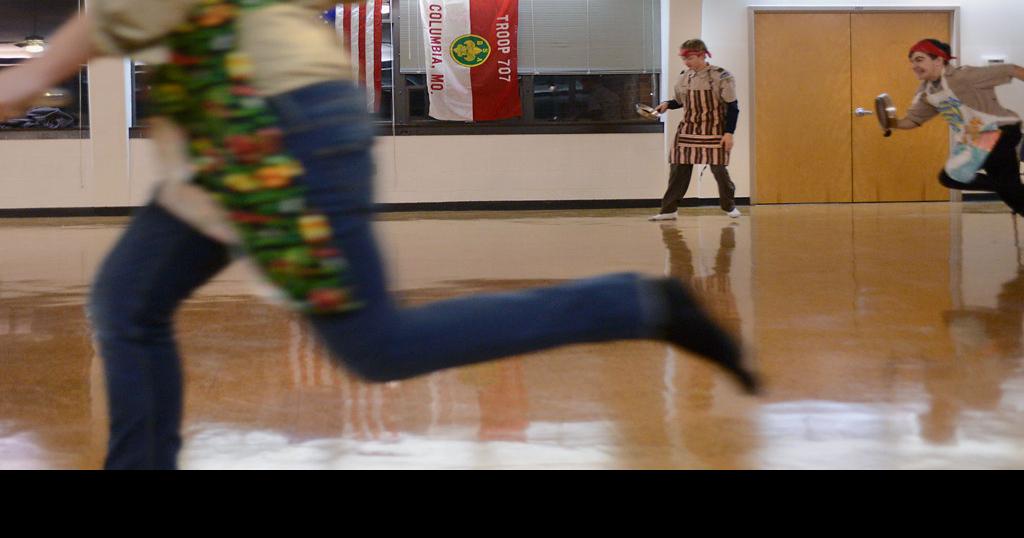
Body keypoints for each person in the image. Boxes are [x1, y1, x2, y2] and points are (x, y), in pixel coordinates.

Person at [0, 1, 758, 470]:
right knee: (129, 300)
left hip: (270, 131)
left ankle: (638, 306)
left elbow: (116, 17)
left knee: (374, 347)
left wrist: (26, 80)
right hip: (230, 137)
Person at [892, 39, 1024, 214]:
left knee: (954, 176)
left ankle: (1006, 186)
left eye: (919, 59)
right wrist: (891, 123)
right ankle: (1008, 188)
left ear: (938, 60)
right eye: (912, 61)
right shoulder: (926, 92)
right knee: (1011, 195)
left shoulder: (965, 76)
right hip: (977, 137)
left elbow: (1011, 70)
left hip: (1000, 130)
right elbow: (913, 121)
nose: (913, 65)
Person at [650, 39, 741, 221]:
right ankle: (669, 210)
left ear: (701, 55)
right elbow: (681, 101)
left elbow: (733, 107)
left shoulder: (721, 76)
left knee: (719, 170)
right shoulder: (684, 76)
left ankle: (729, 205)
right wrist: (667, 104)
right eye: (684, 59)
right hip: (688, 129)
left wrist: (729, 133)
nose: (686, 62)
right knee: (678, 169)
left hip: (714, 129)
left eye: (690, 58)